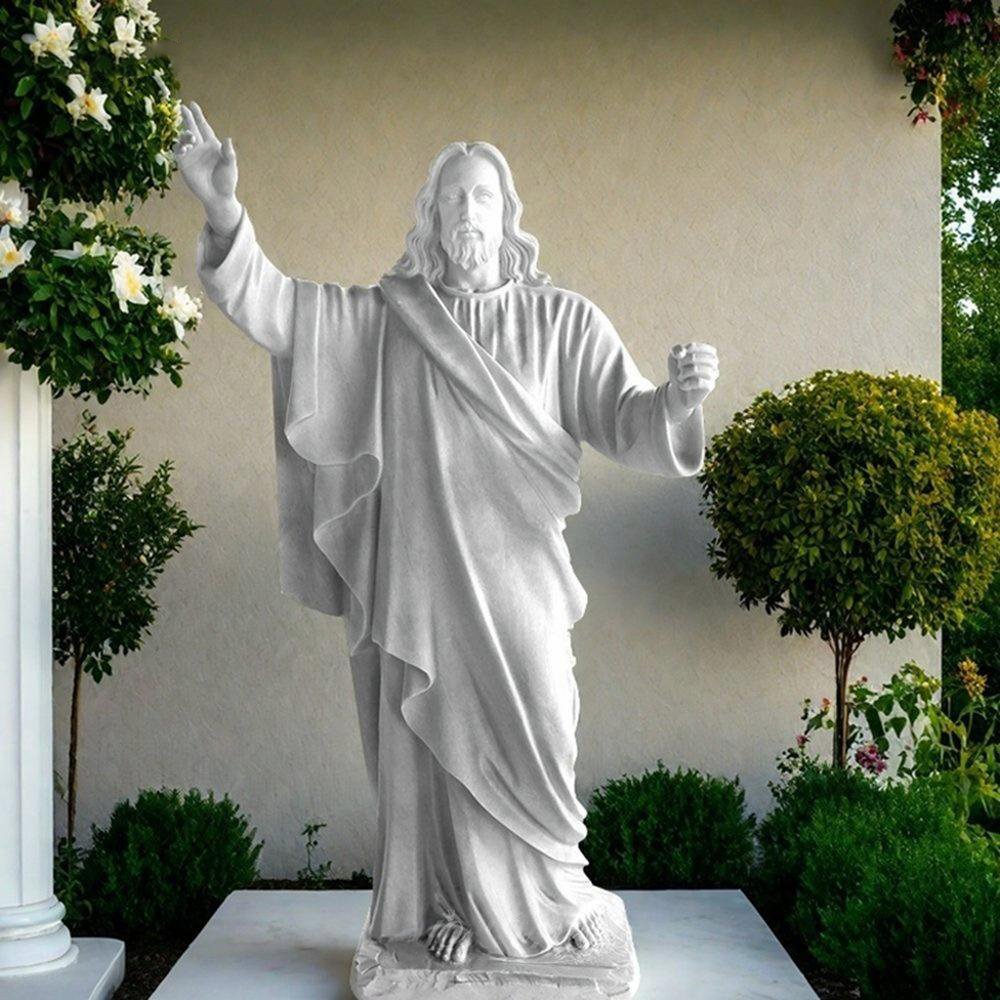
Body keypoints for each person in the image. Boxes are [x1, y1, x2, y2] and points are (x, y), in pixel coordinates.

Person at [174, 102, 719, 969]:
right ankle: (450, 903)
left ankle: (558, 897)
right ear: (431, 218)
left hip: (523, 577)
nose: (469, 212)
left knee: (544, 721)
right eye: (453, 198)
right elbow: (280, 311)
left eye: (483, 198)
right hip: (427, 582)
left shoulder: (562, 321)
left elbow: (628, 419)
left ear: (507, 217)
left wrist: (680, 401)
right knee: (440, 743)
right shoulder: (392, 319)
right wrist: (223, 210)